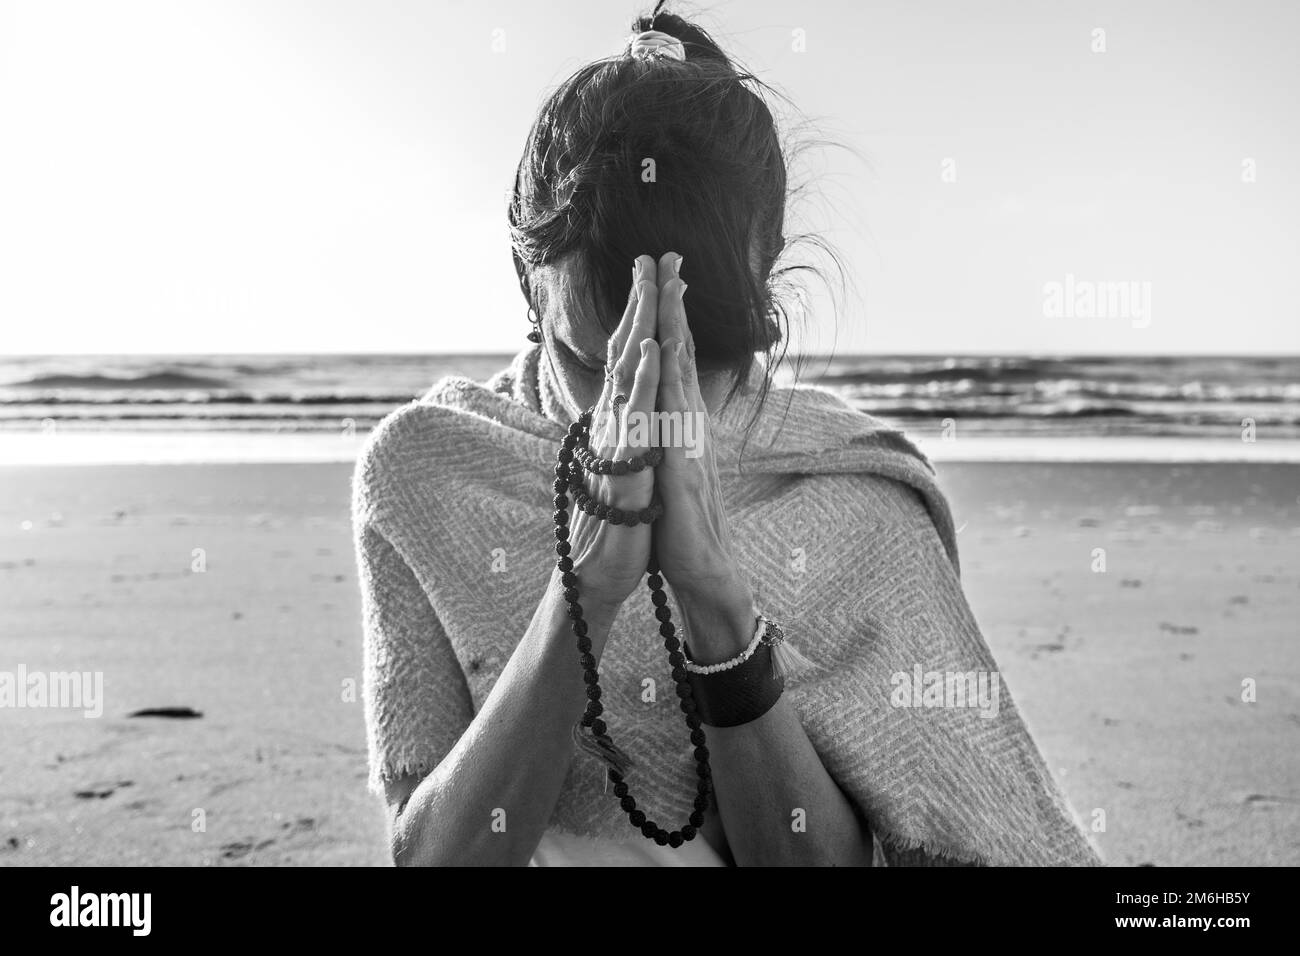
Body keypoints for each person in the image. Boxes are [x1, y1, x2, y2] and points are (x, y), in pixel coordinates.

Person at [351, 6, 1102, 867]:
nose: (648, 408)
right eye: (601, 364)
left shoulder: (851, 500)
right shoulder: (432, 473)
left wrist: (719, 610)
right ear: (527, 283)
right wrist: (584, 594)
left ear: (766, 273)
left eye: (693, 362)